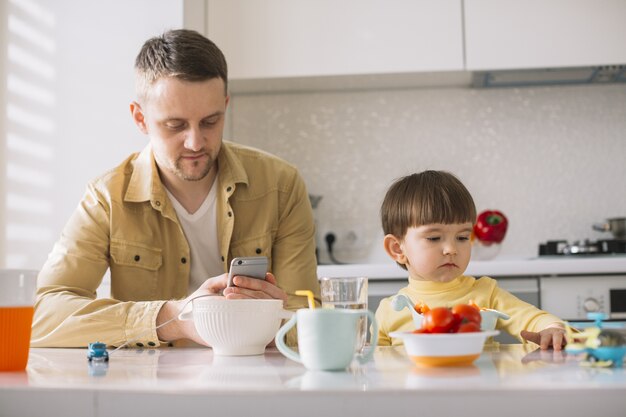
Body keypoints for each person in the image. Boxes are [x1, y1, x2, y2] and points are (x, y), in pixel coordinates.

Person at [32, 29, 319, 348]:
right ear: (140, 118)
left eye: (211, 122)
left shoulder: (281, 186)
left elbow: (307, 322)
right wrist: (173, 318)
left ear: (226, 105)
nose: (195, 142)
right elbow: (41, 314)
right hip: (151, 387)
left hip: (257, 382)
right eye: (175, 125)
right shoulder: (106, 198)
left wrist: (272, 316)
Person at [375, 170, 567, 350]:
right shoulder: (388, 311)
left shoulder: (486, 293)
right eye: (434, 238)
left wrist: (552, 328)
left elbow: (531, 318)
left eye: (462, 237)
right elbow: (374, 370)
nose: (451, 249)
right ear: (397, 248)